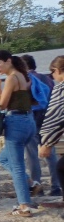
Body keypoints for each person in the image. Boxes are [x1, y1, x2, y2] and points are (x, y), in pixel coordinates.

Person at [0, 50, 36, 217]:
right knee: (3, 158)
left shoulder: (11, 78)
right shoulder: (23, 76)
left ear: (8, 61)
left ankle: (24, 205)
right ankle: (30, 183)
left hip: (16, 122)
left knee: (16, 166)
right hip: (29, 120)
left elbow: (1, 105)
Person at [22, 54, 61, 196]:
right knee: (51, 155)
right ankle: (56, 186)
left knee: (32, 155)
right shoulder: (48, 79)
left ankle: (37, 186)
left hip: (32, 119)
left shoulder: (26, 79)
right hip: (49, 120)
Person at [39, 55, 64, 208]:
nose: (52, 77)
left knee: (61, 167)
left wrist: (47, 143)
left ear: (58, 70)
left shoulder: (61, 88)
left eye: (52, 73)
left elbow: (56, 116)